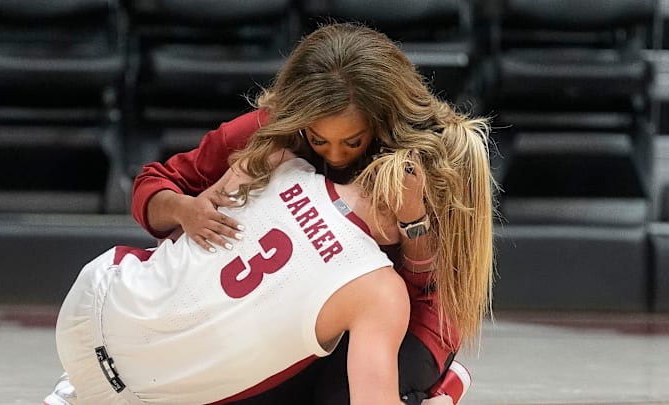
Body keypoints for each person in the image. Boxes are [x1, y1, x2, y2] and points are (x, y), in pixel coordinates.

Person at [130, 22, 495, 405]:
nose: (335, 155)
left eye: (353, 142)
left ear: (383, 122)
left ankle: (440, 391)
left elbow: (431, 295)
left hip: (403, 318)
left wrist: (413, 222)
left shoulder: (425, 156)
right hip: (296, 316)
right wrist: (183, 209)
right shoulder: (272, 131)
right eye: (318, 140)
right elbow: (152, 183)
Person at [51, 148, 459, 404]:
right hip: (151, 395)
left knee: (188, 268)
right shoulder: (381, 290)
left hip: (89, 310)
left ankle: (78, 391)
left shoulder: (278, 160)